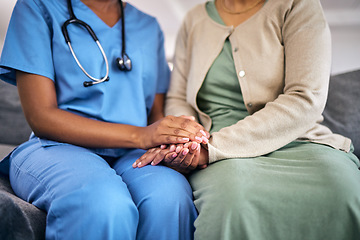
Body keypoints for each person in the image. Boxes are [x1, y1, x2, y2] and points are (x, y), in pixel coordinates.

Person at [133, 0, 360, 239]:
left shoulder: (297, 6)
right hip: (216, 153)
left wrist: (209, 148)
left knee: (344, 190)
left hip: (297, 140)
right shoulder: (194, 19)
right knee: (232, 199)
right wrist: (186, 141)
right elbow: (179, 98)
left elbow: (306, 98)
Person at [0, 0, 209, 239]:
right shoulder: (37, 7)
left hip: (134, 153)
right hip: (56, 147)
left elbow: (156, 115)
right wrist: (141, 135)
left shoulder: (148, 26)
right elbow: (40, 116)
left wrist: (176, 145)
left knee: (169, 199)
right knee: (103, 203)